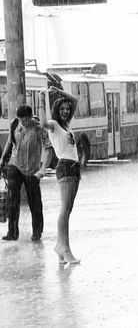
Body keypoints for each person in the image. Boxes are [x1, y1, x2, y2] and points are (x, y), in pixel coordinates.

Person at [38, 86, 81, 265]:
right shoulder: (54, 125)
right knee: (64, 210)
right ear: (56, 110)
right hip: (65, 166)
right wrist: (42, 99)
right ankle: (65, 248)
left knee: (68, 210)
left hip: (74, 167)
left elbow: (76, 101)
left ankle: (59, 246)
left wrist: (59, 91)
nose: (65, 111)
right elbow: (42, 123)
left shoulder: (65, 125)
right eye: (62, 109)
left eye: (67, 109)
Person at [0, 105, 52, 241]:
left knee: (34, 202)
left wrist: (43, 169)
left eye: (26, 121)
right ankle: (12, 232)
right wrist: (2, 158)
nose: (23, 123)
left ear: (31, 117)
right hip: (15, 164)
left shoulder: (39, 129)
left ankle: (37, 232)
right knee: (12, 199)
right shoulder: (15, 124)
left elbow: (48, 150)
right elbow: (10, 141)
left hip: (32, 170)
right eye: (21, 121)